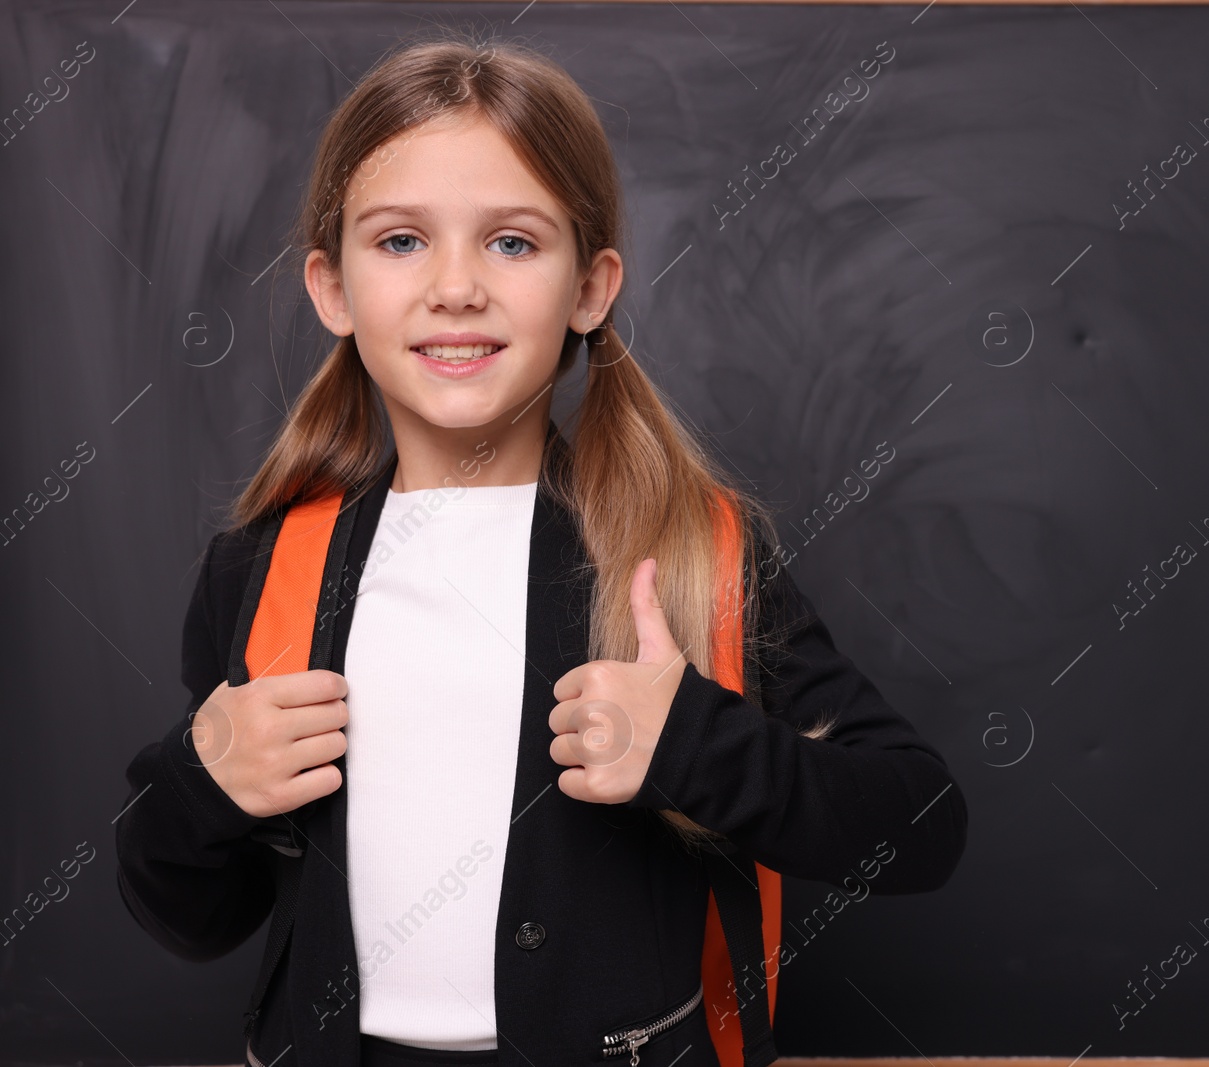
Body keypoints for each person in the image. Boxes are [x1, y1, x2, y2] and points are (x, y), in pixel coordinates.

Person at [113, 30, 967, 1067]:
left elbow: (920, 825)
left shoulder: (686, 554)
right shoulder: (262, 566)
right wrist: (203, 782)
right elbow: (194, 919)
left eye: (512, 242)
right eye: (399, 241)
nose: (457, 287)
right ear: (332, 289)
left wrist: (697, 745)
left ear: (591, 288)